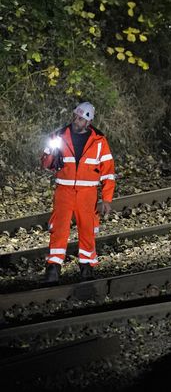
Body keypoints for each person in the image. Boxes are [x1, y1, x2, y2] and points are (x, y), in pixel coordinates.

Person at [41, 101, 116, 284]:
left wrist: (107, 198)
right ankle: (53, 267)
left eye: (81, 118)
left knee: (87, 229)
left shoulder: (99, 141)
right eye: (75, 116)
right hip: (64, 190)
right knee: (59, 229)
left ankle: (86, 266)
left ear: (88, 122)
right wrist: (50, 153)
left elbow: (108, 171)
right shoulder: (58, 135)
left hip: (87, 192)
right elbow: (46, 164)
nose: (76, 120)